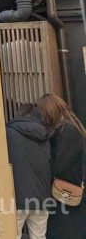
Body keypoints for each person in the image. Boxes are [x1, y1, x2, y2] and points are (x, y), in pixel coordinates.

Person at [37, 93, 86, 238]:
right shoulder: (72, 128)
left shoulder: (67, 132)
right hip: (69, 194)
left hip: (65, 194)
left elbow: (61, 165)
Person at [5, 103, 51, 239]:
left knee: (13, 235)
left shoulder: (8, 132)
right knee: (39, 236)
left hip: (17, 195)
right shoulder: (44, 134)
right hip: (41, 196)